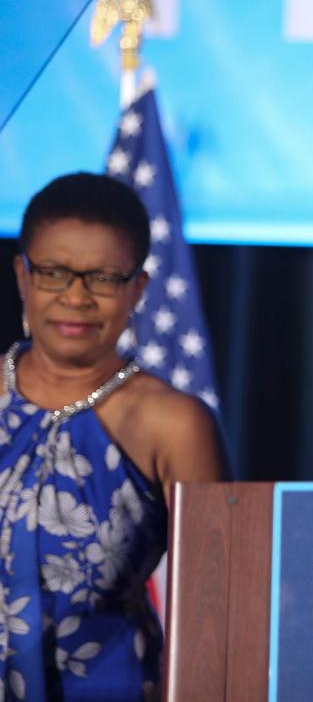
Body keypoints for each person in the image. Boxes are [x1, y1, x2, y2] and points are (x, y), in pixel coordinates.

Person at [0, 173, 227, 701]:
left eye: (102, 278)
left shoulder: (173, 422)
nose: (76, 297)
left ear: (137, 288)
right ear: (23, 276)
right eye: (54, 273)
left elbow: (217, 603)